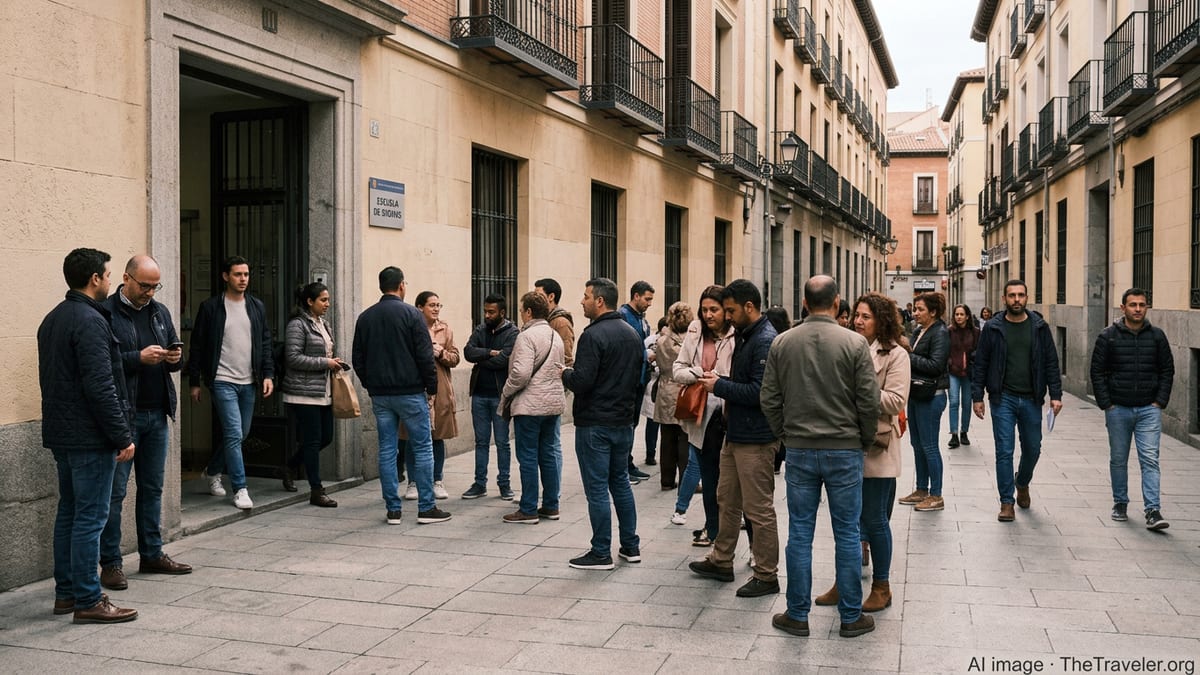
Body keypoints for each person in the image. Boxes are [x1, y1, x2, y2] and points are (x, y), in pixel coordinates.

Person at [761, 276, 879, 639]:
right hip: (844, 448)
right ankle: (850, 617)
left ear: (804, 302)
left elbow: (768, 398)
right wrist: (865, 438)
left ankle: (797, 614)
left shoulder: (782, 342)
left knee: (800, 533)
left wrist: (785, 433)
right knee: (846, 533)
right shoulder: (856, 343)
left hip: (799, 450)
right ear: (837, 301)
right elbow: (869, 401)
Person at [39, 247, 137, 623]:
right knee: (89, 519)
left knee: (70, 513)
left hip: (63, 435)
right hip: (89, 437)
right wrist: (121, 436)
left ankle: (66, 595)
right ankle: (87, 599)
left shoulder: (53, 318)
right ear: (95, 279)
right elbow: (101, 386)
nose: (110, 281)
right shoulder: (92, 321)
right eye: (108, 275)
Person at [99, 255, 192, 593]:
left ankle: (152, 553)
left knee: (153, 489)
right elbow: (103, 364)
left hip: (157, 413)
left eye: (155, 286)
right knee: (115, 493)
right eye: (144, 285)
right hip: (125, 416)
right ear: (126, 278)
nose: (150, 292)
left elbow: (173, 359)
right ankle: (110, 563)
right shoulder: (106, 313)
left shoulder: (160, 312)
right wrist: (137, 358)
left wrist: (175, 358)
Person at [814, 292, 909, 613]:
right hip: (844, 443)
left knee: (874, 519)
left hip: (878, 447)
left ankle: (882, 585)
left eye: (866, 316)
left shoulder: (896, 355)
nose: (857, 321)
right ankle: (846, 582)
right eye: (857, 315)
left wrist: (856, 392)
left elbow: (896, 401)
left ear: (881, 320)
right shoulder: (848, 346)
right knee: (846, 522)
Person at [688, 279, 781, 599]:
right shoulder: (746, 335)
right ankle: (722, 559)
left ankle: (767, 574)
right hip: (736, 433)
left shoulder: (765, 340)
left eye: (730, 310)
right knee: (726, 499)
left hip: (756, 437)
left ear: (749, 307)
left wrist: (720, 386)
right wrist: (723, 382)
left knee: (758, 509)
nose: (726, 316)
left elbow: (760, 392)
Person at [352, 266, 451, 525]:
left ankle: (393, 510)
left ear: (381, 285)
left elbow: (358, 359)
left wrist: (370, 384)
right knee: (423, 446)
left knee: (387, 449)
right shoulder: (412, 315)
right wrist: (431, 387)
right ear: (402, 286)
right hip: (410, 391)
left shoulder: (365, 317)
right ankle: (426, 507)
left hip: (381, 395)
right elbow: (424, 356)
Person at [562, 277, 643, 570]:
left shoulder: (593, 335)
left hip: (595, 423)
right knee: (620, 482)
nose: (581, 301)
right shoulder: (631, 333)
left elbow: (583, 381)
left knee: (597, 488)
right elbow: (638, 379)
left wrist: (565, 374)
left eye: (585, 296)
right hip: (622, 421)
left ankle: (600, 551)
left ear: (599, 301)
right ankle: (630, 546)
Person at [185, 255, 274, 510]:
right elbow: (198, 346)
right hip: (222, 379)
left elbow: (265, 342)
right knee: (234, 433)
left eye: (246, 274)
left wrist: (268, 374)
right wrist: (194, 381)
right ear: (226, 276)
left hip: (249, 381)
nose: (243, 279)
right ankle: (241, 488)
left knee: (240, 434)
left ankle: (212, 471)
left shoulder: (256, 306)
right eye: (238, 274)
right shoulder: (211, 307)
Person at [972, 279, 1063, 522]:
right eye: (1011, 295)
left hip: (1032, 398)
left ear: (1026, 297)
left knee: (1033, 448)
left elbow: (1051, 363)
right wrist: (977, 396)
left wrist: (1056, 395)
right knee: (1004, 450)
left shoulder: (1039, 327)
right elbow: (980, 363)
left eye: (1020, 295)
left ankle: (1022, 482)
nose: (1016, 300)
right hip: (1003, 398)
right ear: (1004, 299)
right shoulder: (993, 328)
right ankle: (1006, 502)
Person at [1090, 288, 1174, 530]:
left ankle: (1153, 510)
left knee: (1150, 459)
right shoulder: (1108, 336)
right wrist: (1107, 403)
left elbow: (1167, 370)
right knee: (1118, 459)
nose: (1138, 308)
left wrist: (1159, 401)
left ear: (1147, 307)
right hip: (1118, 409)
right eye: (1133, 304)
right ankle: (1120, 502)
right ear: (1123, 308)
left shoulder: (1157, 336)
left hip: (1149, 409)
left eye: (1142, 304)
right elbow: (1097, 372)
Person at [671, 285, 735, 545]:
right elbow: (678, 370)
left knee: (728, 480)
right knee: (708, 477)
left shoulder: (736, 333)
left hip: (729, 413)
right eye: (705, 309)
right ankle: (712, 528)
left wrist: (721, 382)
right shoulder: (696, 331)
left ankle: (727, 529)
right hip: (701, 414)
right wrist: (699, 373)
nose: (709, 315)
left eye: (714, 309)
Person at [499, 292, 565, 524]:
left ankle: (528, 508)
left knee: (527, 456)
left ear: (528, 312)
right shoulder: (555, 335)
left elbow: (520, 373)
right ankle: (550, 505)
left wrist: (506, 391)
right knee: (547, 454)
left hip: (529, 406)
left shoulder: (526, 337)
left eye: (521, 310)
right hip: (552, 404)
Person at [279, 282, 341, 508]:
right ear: (309, 302)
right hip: (303, 393)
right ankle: (316, 490)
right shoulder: (297, 325)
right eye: (323, 300)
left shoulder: (323, 324)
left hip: (322, 390)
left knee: (326, 437)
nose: (327, 304)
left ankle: (290, 465)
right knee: (313, 440)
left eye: (327, 300)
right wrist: (326, 362)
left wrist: (335, 364)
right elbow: (293, 357)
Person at [400, 291, 459, 501]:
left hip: (440, 388)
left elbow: (455, 358)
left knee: (437, 436)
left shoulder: (445, 329)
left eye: (438, 305)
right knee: (411, 436)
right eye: (431, 305)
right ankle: (413, 482)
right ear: (419, 307)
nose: (435, 309)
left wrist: (441, 352)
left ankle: (437, 480)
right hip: (416, 386)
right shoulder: (410, 327)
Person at [462, 293, 518, 500]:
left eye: (491, 312)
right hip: (479, 395)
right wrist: (489, 353)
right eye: (485, 311)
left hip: (500, 396)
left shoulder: (513, 333)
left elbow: (504, 360)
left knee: (503, 442)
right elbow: (468, 352)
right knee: (481, 442)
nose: (486, 315)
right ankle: (479, 483)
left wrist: (484, 357)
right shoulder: (480, 329)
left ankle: (504, 484)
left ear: (502, 312)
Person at [899, 292, 949, 513]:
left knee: (929, 446)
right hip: (917, 394)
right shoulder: (920, 331)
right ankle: (921, 489)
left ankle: (936, 494)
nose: (915, 313)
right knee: (917, 445)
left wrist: (906, 355)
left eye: (920, 310)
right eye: (915, 309)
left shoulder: (940, 332)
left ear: (933, 312)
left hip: (932, 396)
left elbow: (936, 365)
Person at [652, 302, 693, 490]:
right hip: (684, 390)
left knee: (667, 438)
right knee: (684, 438)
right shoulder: (691, 341)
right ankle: (686, 478)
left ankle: (666, 480)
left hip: (665, 388)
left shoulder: (661, 340)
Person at [618, 280, 656, 476]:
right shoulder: (623, 316)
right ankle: (624, 465)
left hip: (641, 377)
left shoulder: (642, 318)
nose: (649, 303)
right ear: (636, 296)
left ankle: (627, 462)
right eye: (647, 299)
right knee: (627, 424)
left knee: (633, 424)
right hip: (629, 379)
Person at [947, 304, 979, 449]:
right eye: (956, 314)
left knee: (967, 403)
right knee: (954, 402)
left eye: (961, 314)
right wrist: (949, 362)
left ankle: (964, 431)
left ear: (967, 316)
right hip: (953, 371)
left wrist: (972, 360)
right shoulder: (949, 331)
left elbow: (979, 351)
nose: (958, 317)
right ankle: (954, 434)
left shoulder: (976, 332)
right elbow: (945, 350)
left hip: (968, 373)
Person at [535, 278, 575, 367]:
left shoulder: (561, 322)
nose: (535, 300)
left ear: (551, 297)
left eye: (539, 296)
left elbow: (565, 356)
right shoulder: (542, 318)